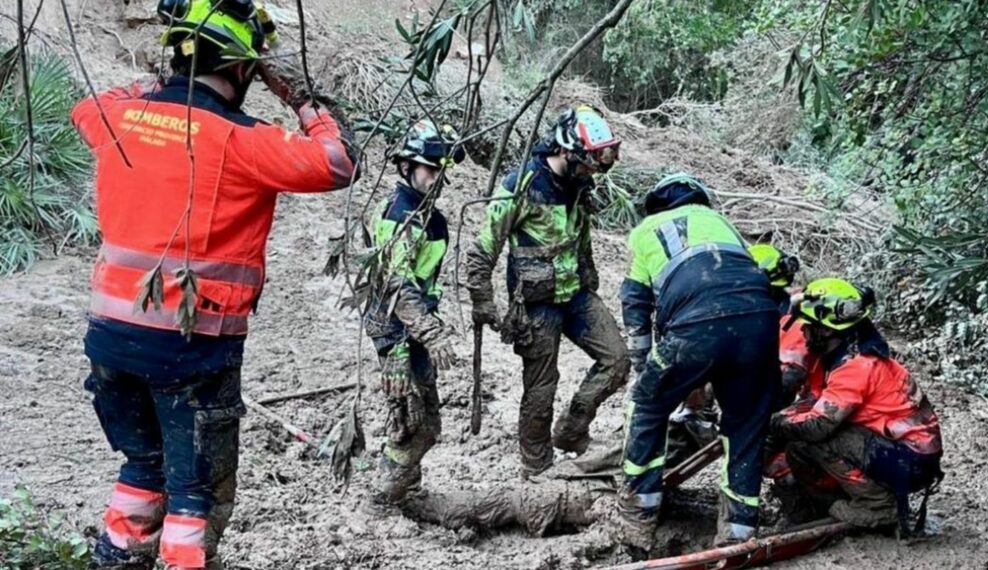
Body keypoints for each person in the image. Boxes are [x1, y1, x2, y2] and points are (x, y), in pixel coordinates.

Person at [71, 0, 357, 567]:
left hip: (109, 341)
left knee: (140, 470)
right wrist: (300, 98)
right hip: (192, 349)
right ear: (246, 68)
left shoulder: (118, 120)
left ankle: (118, 559)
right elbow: (337, 162)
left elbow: (89, 105)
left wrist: (164, 73)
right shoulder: (243, 141)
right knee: (193, 500)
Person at [616, 173, 782, 549]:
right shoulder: (724, 225)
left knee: (646, 407)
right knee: (746, 426)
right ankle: (738, 531)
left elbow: (635, 300)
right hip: (759, 325)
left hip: (695, 328)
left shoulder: (646, 230)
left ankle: (639, 512)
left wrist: (643, 364)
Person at [465, 105, 629, 476]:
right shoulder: (521, 185)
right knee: (540, 389)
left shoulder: (579, 184)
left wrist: (590, 279)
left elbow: (581, 236)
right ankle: (536, 467)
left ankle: (571, 431)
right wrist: (482, 299)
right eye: (587, 163)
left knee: (617, 360)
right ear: (566, 152)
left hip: (577, 295)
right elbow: (483, 248)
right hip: (537, 304)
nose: (592, 171)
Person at [770, 278, 943, 534]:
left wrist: (773, 422)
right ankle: (838, 497)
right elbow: (812, 399)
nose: (803, 333)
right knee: (800, 443)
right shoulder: (836, 355)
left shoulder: (857, 365)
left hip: (910, 458)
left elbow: (818, 424)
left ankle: (877, 506)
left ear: (827, 329)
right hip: (898, 447)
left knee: (811, 443)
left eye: (808, 326)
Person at [364, 120, 464, 504]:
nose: (436, 178)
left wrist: (429, 321)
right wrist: (429, 331)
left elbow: (426, 282)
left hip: (417, 326)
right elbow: (395, 283)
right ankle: (384, 498)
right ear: (407, 167)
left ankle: (407, 488)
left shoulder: (433, 219)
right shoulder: (397, 213)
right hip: (395, 331)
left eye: (441, 171)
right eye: (430, 169)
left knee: (424, 415)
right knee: (410, 421)